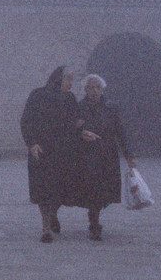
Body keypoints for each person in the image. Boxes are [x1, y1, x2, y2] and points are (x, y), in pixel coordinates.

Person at [20, 66, 88, 243]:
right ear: (58, 79)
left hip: (64, 151)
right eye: (68, 80)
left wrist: (81, 131)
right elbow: (27, 120)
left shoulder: (70, 98)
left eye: (72, 80)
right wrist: (32, 143)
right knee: (43, 189)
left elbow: (74, 122)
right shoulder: (38, 96)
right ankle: (45, 229)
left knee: (60, 189)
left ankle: (53, 215)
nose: (70, 84)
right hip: (42, 150)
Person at [77, 74, 136, 240]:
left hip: (107, 154)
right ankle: (94, 223)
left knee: (104, 189)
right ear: (85, 90)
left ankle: (94, 214)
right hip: (87, 154)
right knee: (93, 188)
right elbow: (70, 129)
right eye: (90, 88)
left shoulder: (112, 107)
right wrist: (81, 133)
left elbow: (121, 132)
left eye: (97, 87)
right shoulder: (78, 108)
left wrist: (129, 155)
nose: (94, 91)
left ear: (102, 89)